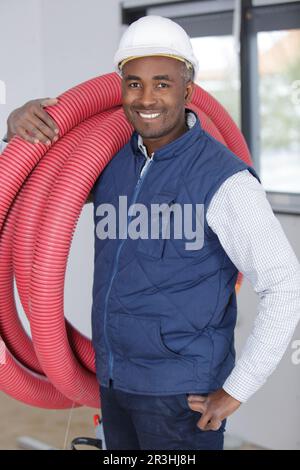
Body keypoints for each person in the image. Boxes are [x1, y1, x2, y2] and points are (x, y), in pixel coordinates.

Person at [1, 16, 300, 451]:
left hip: (181, 397)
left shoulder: (224, 180)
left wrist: (238, 388)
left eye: (162, 83)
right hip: (114, 381)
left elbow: (286, 283)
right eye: (134, 83)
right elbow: (31, 194)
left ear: (188, 89)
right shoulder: (107, 162)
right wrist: (16, 129)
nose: (146, 98)